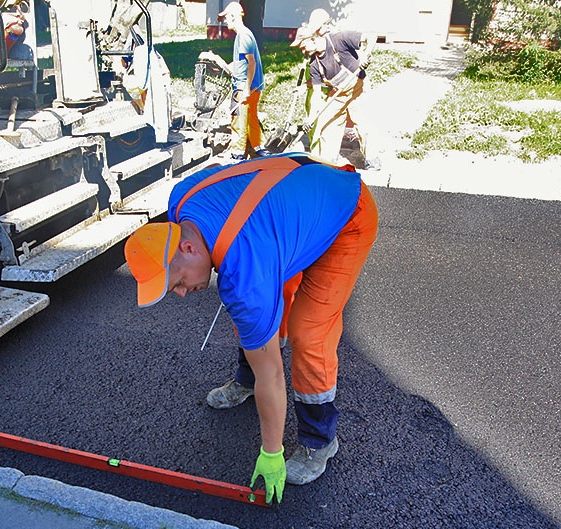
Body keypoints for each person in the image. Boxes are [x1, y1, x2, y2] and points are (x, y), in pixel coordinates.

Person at [123, 154, 378, 504]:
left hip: (345, 214)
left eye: (178, 281)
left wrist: (271, 453)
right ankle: (246, 380)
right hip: (292, 207)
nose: (182, 293)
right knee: (263, 311)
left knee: (308, 332)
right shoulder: (181, 199)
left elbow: (272, 374)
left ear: (187, 247)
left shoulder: (246, 273)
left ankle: (320, 441)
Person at [291, 11, 378, 170]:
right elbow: (316, 95)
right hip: (339, 93)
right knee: (326, 123)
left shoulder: (339, 39)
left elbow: (372, 36)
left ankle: (372, 160)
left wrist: (365, 54)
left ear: (312, 39)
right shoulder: (314, 64)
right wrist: (311, 119)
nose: (303, 50)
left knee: (363, 123)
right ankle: (328, 161)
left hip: (358, 87)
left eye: (303, 45)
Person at [201, 1, 269, 160]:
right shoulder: (245, 34)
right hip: (253, 86)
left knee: (238, 119)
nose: (225, 21)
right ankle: (260, 148)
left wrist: (245, 89)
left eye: (226, 18)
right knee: (251, 118)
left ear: (233, 17)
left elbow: (251, 63)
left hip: (244, 87)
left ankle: (237, 154)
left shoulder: (243, 36)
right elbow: (242, 63)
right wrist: (222, 63)